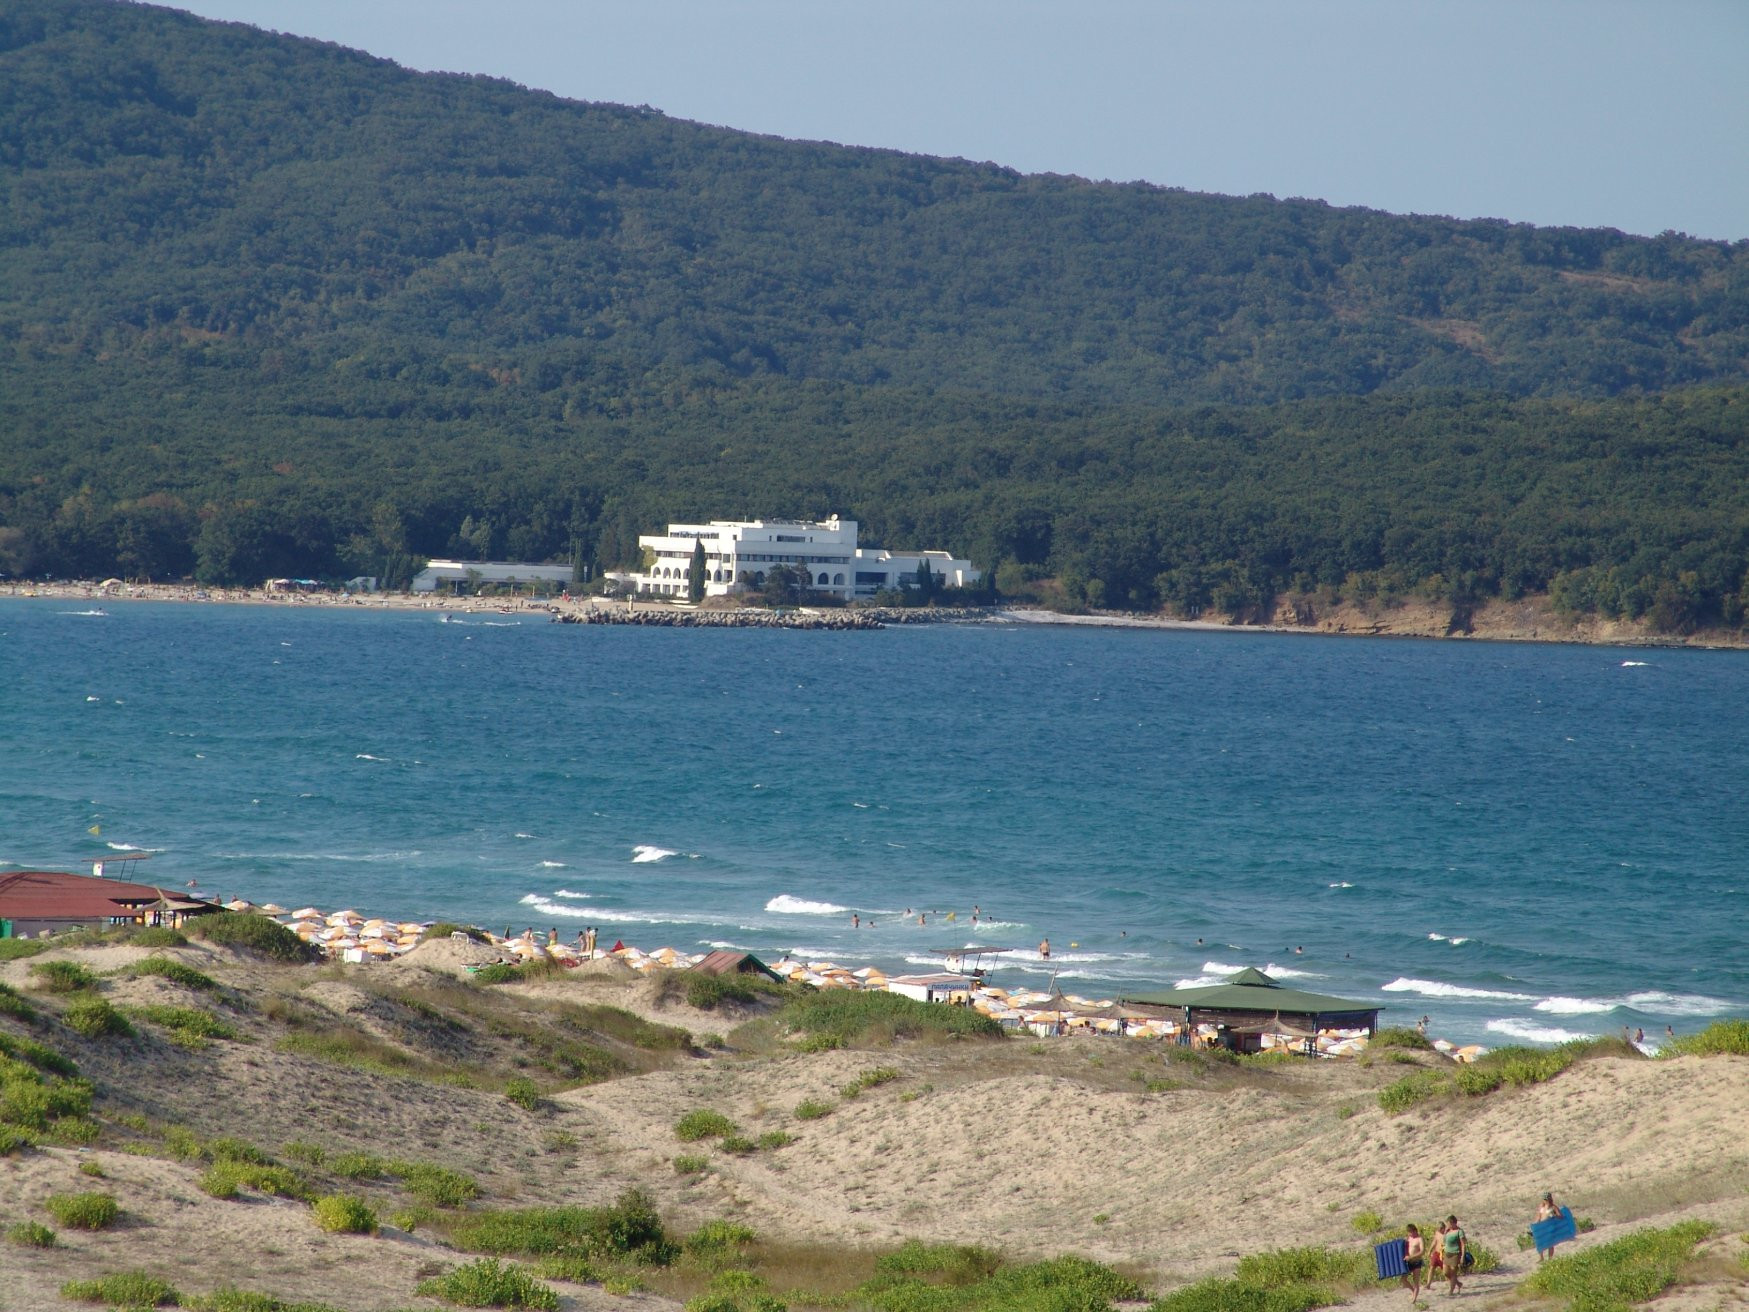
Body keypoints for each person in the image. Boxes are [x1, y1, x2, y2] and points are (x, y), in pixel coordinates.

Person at [1442, 1215, 1467, 1294]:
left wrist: (1462, 1256)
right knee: (1446, 1273)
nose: (1447, 1225)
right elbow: (1444, 1242)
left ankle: (1451, 1290)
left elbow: (1463, 1244)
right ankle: (1458, 1283)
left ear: (1453, 1223)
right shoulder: (1448, 1231)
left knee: (1453, 1273)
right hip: (1447, 1253)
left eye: (1448, 1223)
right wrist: (1445, 1233)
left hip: (1455, 1254)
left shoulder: (1459, 1231)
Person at [1535, 1192, 1561, 1261]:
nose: (1546, 1201)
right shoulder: (1541, 1206)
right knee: (1540, 1241)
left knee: (1550, 1243)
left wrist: (1554, 1215)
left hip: (1550, 1227)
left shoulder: (1553, 1207)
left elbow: (1560, 1216)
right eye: (1545, 1199)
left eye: (1547, 1199)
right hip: (1541, 1226)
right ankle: (1541, 1257)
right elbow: (1539, 1217)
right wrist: (1535, 1226)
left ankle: (1550, 1259)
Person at [1402, 1223, 1426, 1301]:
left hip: (1417, 1262)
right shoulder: (1408, 1238)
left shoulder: (1420, 1239)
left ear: (1415, 1231)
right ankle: (1413, 1292)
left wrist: (1411, 1257)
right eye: (1408, 1232)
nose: (1409, 1234)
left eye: (1411, 1232)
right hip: (1408, 1263)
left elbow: (1422, 1251)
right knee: (1403, 1280)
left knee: (1416, 1281)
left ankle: (1414, 1299)